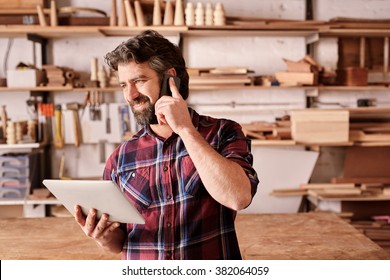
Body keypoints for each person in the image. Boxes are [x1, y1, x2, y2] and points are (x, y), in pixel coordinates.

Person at [74, 30, 259, 260]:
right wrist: (102, 237)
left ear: (170, 79)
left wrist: (185, 130)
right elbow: (118, 242)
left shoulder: (223, 133)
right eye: (123, 85)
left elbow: (238, 197)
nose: (130, 95)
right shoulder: (120, 158)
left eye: (139, 81)